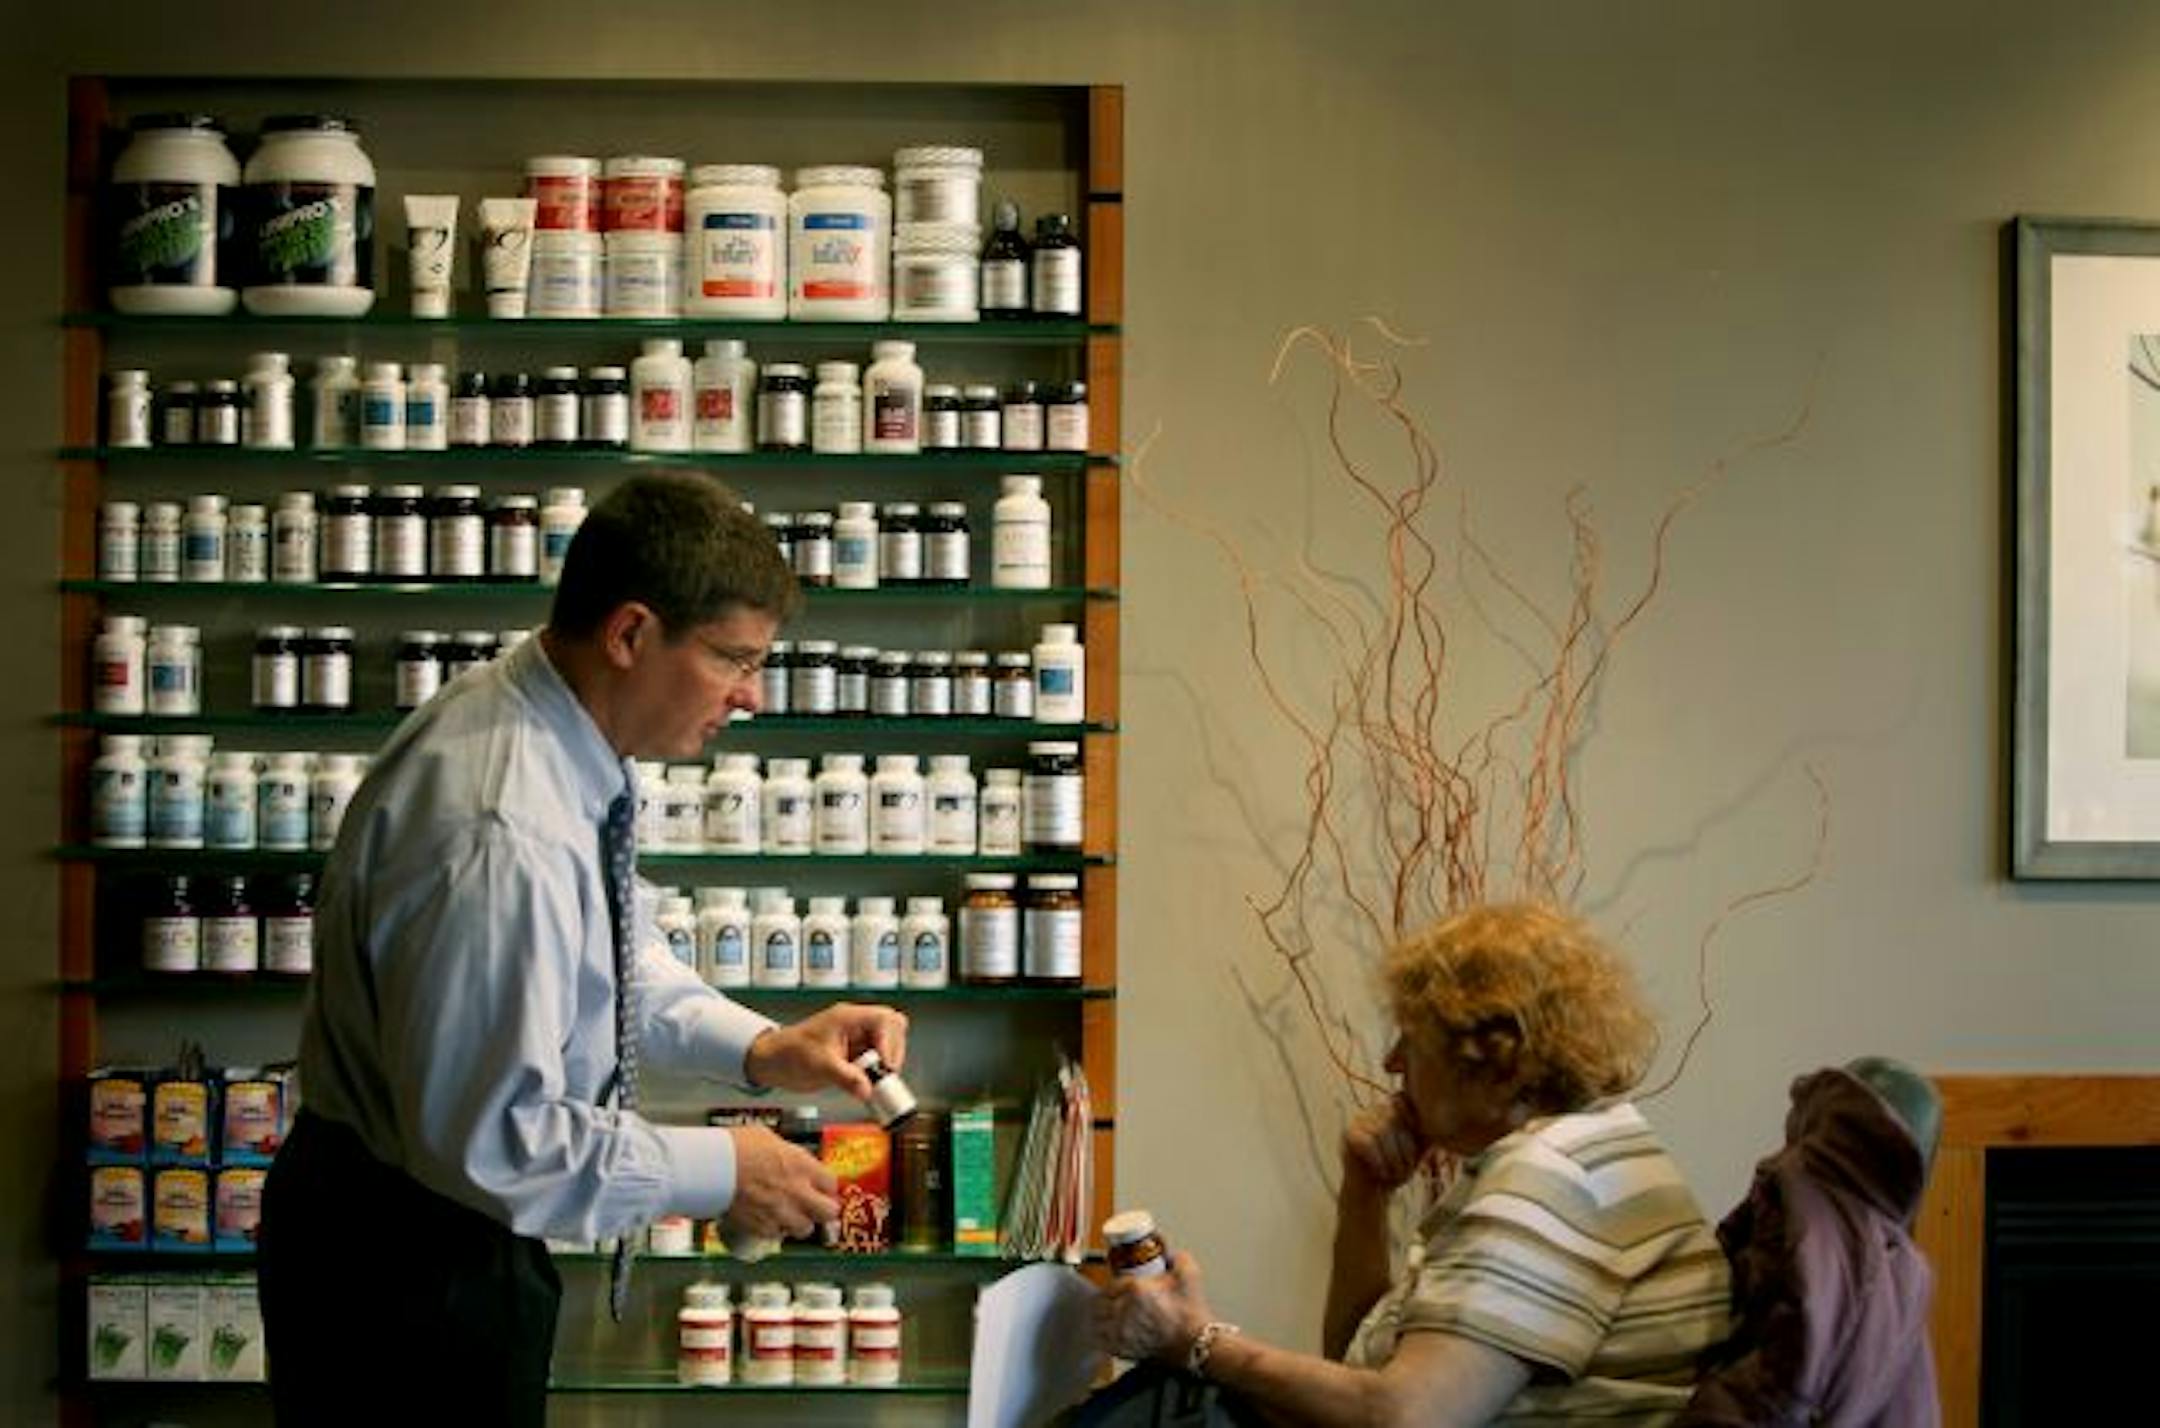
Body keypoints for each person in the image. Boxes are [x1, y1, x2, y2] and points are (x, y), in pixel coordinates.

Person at [259, 472, 906, 1425]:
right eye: (733, 659)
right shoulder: (503, 826)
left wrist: (764, 1048)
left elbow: (610, 950)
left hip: (439, 1227)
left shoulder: (555, 732)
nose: (751, 695)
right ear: (631, 634)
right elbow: (497, 1137)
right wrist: (726, 1168)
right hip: (407, 1262)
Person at [1095, 902, 1733, 1426]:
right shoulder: (1589, 1146)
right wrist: (1365, 1192)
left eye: (1412, 1039)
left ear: (1492, 1058)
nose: (1392, 1062)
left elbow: (1406, 1416)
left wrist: (1197, 1341)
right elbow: (1355, 1366)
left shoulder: (1550, 1178)